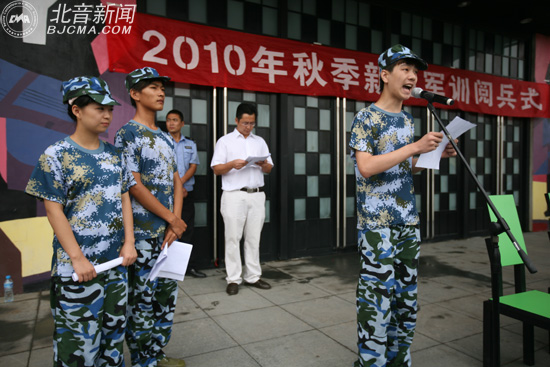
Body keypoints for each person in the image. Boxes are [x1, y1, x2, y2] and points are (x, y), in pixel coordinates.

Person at [349, 44, 457, 367]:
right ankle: (372, 362)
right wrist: (415, 146)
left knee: (405, 300)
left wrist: (431, 156)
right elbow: (366, 167)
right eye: (405, 69)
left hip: (408, 222)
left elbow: (405, 168)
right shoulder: (365, 118)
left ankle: (399, 360)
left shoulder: (408, 120)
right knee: (376, 300)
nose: (412, 76)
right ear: (385, 75)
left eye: (415, 71)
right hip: (376, 227)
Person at [25, 76, 137, 367]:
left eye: (110, 109)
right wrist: (77, 258)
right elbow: (54, 210)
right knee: (78, 348)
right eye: (99, 108)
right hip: (78, 271)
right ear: (76, 109)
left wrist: (129, 243)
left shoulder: (115, 155)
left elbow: (124, 197)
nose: (107, 115)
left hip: (115, 266)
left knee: (112, 345)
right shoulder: (56, 156)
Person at [115, 67, 187, 367]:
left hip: (170, 234)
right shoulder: (127, 134)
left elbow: (177, 183)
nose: (161, 93)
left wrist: (176, 224)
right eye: (153, 88)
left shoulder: (167, 138)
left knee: (166, 299)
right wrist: (172, 218)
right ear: (135, 94)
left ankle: (158, 354)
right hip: (144, 235)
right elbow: (132, 185)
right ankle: (144, 360)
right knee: (142, 301)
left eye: (162, 88)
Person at [210, 102, 273, 296]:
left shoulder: (259, 141)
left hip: (256, 194)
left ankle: (253, 276)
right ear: (236, 120)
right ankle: (233, 278)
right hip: (233, 195)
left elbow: (270, 168)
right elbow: (215, 169)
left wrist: (263, 164)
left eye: (252, 123)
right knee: (232, 238)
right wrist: (231, 164)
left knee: (254, 238)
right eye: (245, 122)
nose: (248, 126)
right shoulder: (225, 141)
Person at [165, 109, 206, 278]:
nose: (171, 123)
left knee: (187, 231)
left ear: (182, 124)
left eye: (175, 120)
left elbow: (193, 166)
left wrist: (180, 185)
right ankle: (166, 269)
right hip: (166, 196)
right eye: (168, 120)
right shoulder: (161, 142)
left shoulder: (190, 144)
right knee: (167, 231)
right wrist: (176, 187)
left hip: (186, 194)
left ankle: (190, 267)